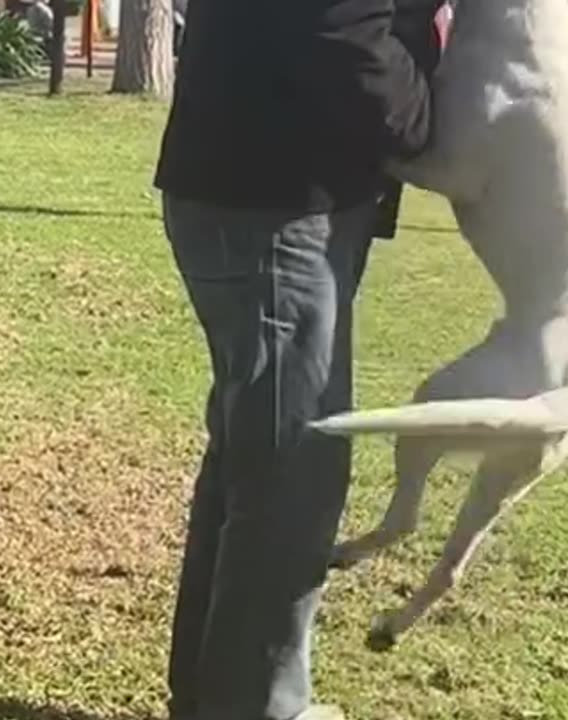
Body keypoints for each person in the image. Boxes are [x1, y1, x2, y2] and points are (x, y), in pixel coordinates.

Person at [150, 0, 446, 716]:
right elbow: (348, 42)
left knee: (255, 462)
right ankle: (257, 707)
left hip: (256, 197)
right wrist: (425, 81)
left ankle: (215, 696)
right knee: (291, 474)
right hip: (272, 212)